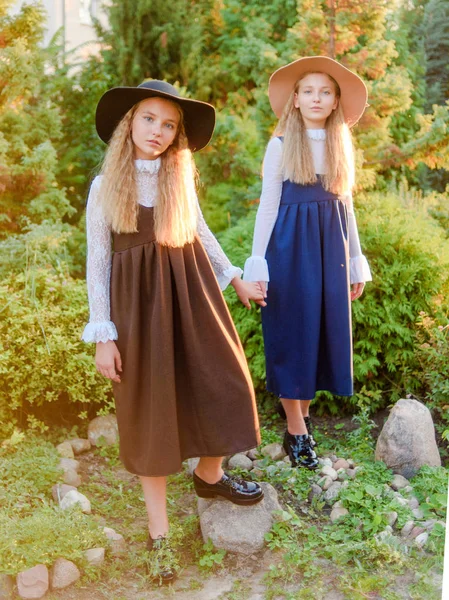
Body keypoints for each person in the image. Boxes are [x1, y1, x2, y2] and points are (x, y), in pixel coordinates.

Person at [82, 80, 266, 583]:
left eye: (169, 125)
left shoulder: (175, 178)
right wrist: (104, 333)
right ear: (129, 123)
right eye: (149, 119)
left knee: (228, 383)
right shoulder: (106, 186)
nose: (158, 132)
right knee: (153, 413)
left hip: (191, 294)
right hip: (138, 311)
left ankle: (210, 474)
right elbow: (98, 264)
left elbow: (200, 230)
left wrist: (234, 278)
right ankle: (159, 534)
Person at [243, 56, 372, 470]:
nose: (317, 98)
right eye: (308, 91)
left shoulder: (340, 145)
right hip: (289, 249)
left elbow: (346, 205)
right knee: (291, 333)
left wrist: (355, 259)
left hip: (329, 250)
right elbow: (267, 207)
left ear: (335, 102)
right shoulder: (280, 145)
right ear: (295, 100)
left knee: (318, 334)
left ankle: (302, 419)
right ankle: (297, 427)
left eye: (326, 91)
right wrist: (257, 264)